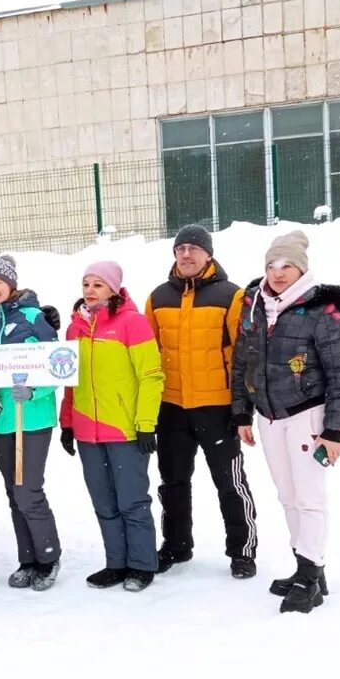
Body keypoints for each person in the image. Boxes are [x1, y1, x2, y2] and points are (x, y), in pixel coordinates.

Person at [231, 230, 340, 615]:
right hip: (270, 416)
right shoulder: (253, 304)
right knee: (287, 496)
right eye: (271, 265)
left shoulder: (322, 311)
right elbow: (241, 361)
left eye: (286, 266)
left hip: (308, 416)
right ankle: (308, 566)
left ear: (301, 269)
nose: (278, 273)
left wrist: (334, 431)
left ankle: (309, 576)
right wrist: (241, 412)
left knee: (309, 497)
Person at [143, 224, 258, 578]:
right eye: (181, 249)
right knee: (173, 482)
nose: (187, 254)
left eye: (194, 248)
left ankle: (242, 550)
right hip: (172, 407)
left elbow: (244, 356)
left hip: (217, 406)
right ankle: (177, 546)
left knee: (230, 482)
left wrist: (243, 409)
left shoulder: (231, 296)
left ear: (209, 254)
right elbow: (148, 355)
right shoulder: (158, 297)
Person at [60, 261, 165, 592]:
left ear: (114, 289)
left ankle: (142, 564)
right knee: (103, 501)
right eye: (86, 284)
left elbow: (151, 376)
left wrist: (146, 423)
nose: (90, 291)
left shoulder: (132, 323)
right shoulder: (75, 328)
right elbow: (69, 380)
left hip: (125, 430)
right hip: (87, 431)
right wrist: (67, 422)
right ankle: (116, 563)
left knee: (132, 501)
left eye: (98, 285)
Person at [0, 255, 64, 592]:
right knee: (13, 493)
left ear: (11, 284)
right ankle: (28, 559)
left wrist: (35, 390)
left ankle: (49, 556)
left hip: (32, 418)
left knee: (28, 490)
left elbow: (60, 366)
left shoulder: (34, 319)